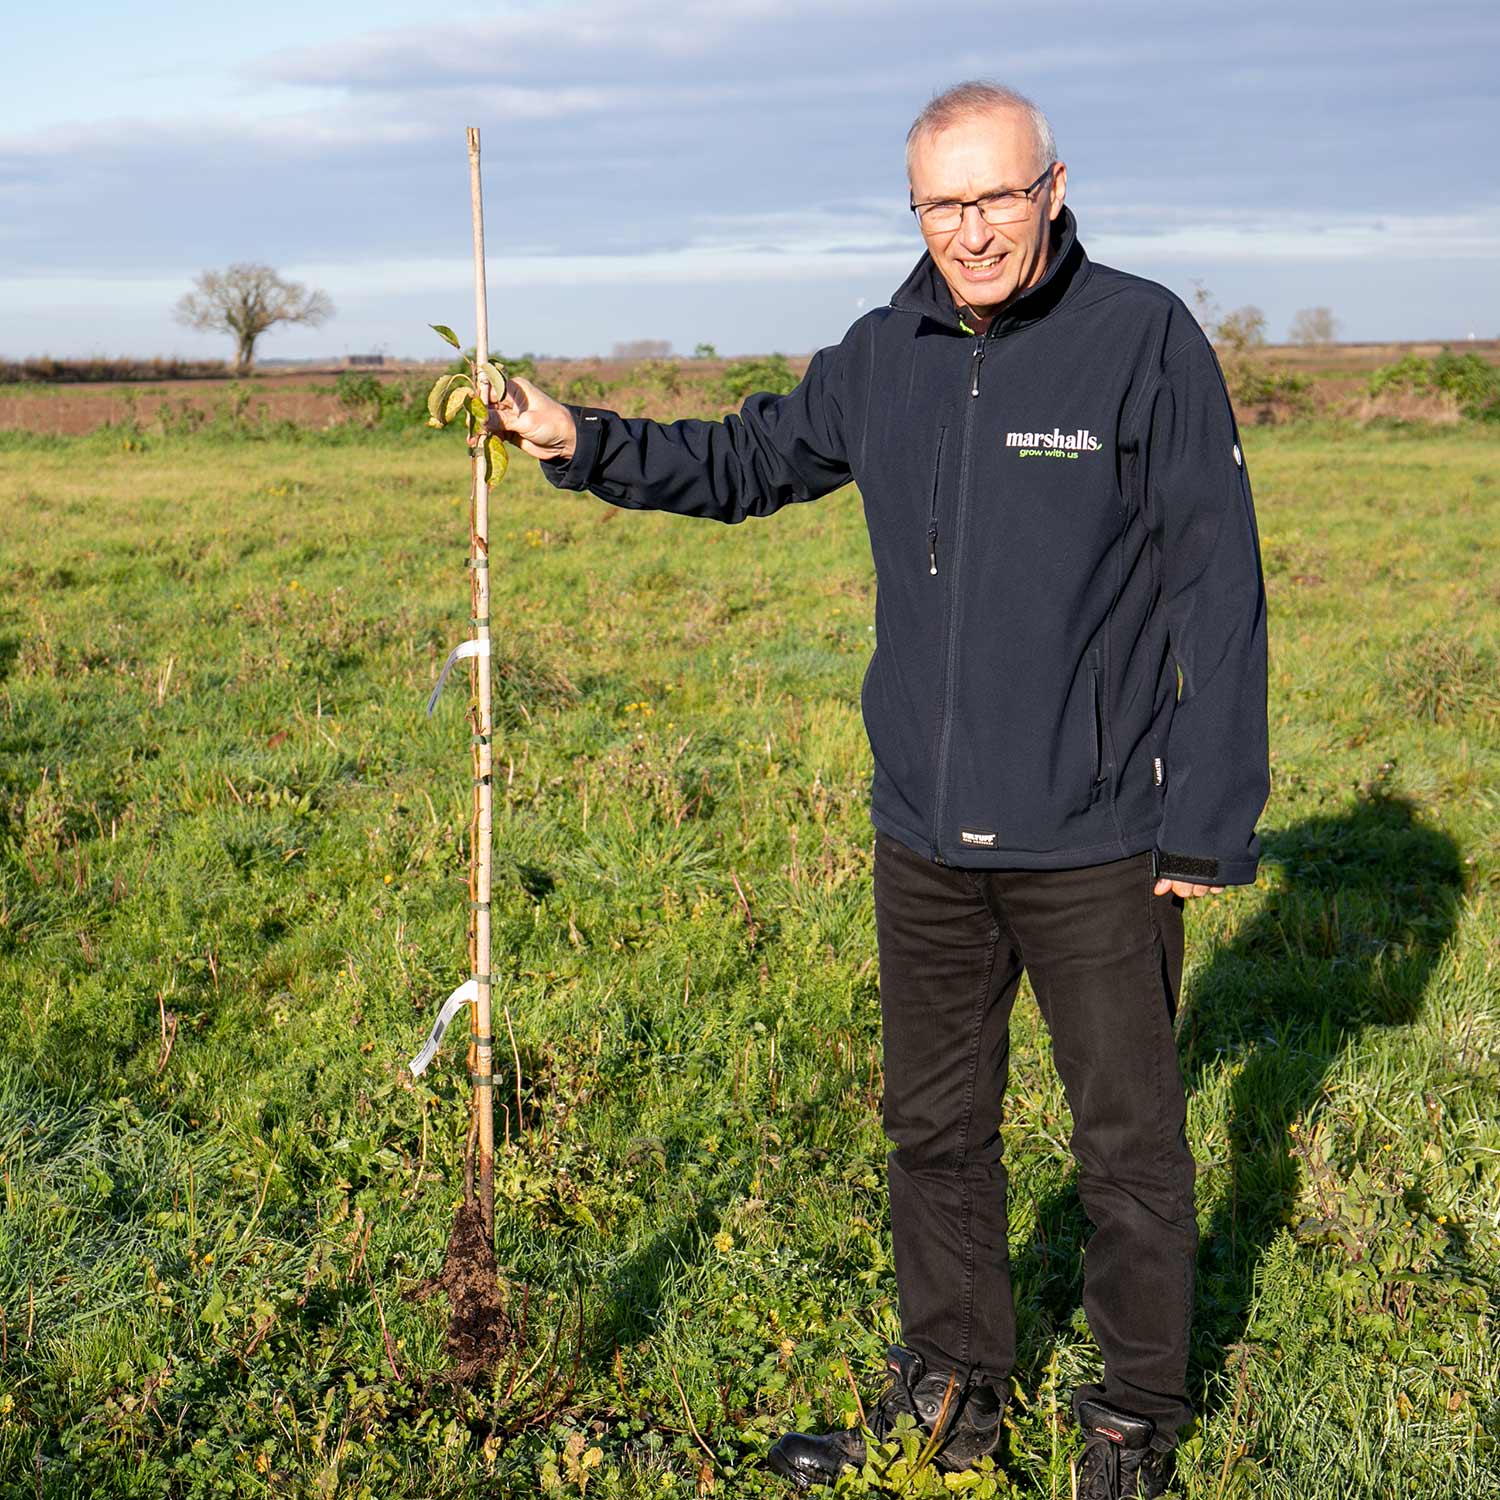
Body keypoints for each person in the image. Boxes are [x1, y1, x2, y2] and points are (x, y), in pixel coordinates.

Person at [481, 80, 1268, 1500]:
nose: (971, 231)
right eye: (942, 204)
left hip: (1097, 836)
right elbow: (744, 459)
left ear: (1052, 186)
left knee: (1130, 1146)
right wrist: (577, 439)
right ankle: (954, 1393)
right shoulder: (882, 351)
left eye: (997, 197)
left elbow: (1220, 589)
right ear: (915, 209)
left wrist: (1206, 818)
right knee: (935, 1131)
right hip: (925, 832)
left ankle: (1134, 1416)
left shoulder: (1140, 339)